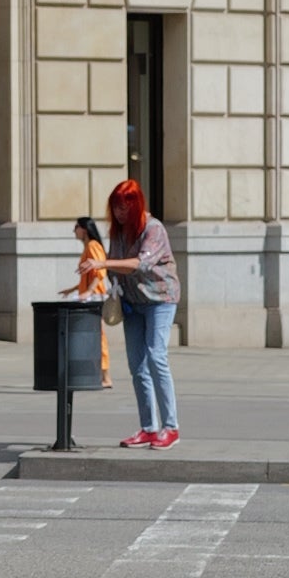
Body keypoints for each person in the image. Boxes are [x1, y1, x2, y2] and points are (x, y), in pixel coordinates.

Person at [102, 178, 181, 446]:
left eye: (124, 208)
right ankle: (148, 427)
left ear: (136, 206)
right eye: (115, 207)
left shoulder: (153, 228)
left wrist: (103, 262)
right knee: (137, 366)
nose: (119, 213)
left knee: (156, 355)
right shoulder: (118, 231)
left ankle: (171, 427)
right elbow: (117, 268)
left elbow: (140, 264)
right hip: (133, 303)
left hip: (161, 299)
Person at [60, 216, 112, 389]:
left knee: (97, 335)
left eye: (76, 227)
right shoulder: (89, 248)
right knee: (91, 336)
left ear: (84, 229)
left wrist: (89, 292)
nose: (74, 231)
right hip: (89, 296)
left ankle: (105, 375)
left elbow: (100, 271)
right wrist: (74, 289)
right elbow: (88, 276)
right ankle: (97, 373)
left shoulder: (93, 246)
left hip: (94, 298)